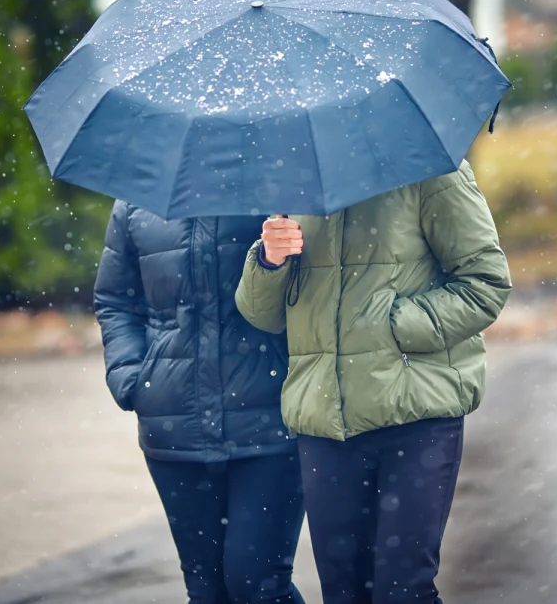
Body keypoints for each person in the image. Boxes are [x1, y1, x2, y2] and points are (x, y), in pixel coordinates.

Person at [235, 161, 511, 604]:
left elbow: (485, 283)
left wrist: (393, 325)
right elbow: (262, 314)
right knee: (344, 592)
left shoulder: (430, 169)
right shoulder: (297, 180)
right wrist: (270, 260)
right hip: (325, 421)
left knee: (402, 591)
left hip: (415, 414)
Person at [94, 201, 307, 604]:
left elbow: (310, 291)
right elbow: (116, 300)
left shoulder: (277, 188)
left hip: (269, 423)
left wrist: (274, 257)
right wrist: (131, 378)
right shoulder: (135, 202)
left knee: (258, 585)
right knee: (206, 591)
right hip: (173, 427)